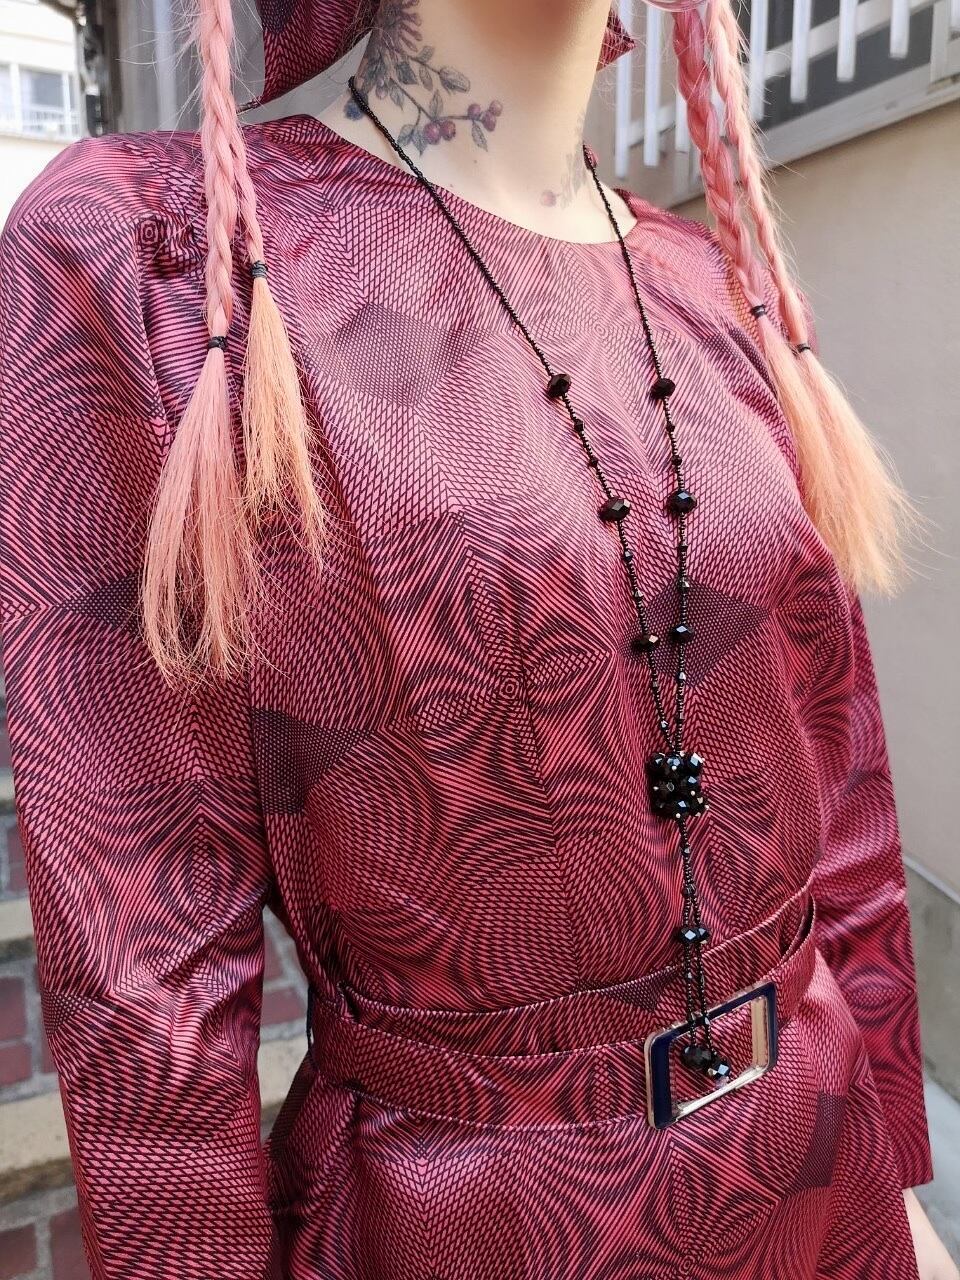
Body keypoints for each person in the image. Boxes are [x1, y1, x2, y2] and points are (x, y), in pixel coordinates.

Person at [0, 1, 954, 1277]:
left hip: (823, 1167)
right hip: (473, 1220)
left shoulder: (709, 278)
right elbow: (143, 955)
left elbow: (840, 789)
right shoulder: (167, 255)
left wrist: (901, 1186)